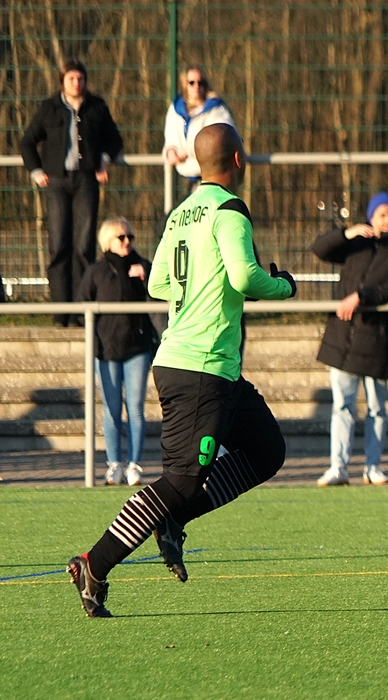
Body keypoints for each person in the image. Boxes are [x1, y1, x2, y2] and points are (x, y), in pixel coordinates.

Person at [66, 123, 296, 617]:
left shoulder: (180, 213)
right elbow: (245, 276)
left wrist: (199, 294)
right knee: (182, 481)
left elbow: (158, 285)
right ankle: (94, 563)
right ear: (238, 161)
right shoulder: (230, 210)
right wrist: (282, 286)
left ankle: (172, 520)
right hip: (199, 368)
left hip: (211, 367)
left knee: (267, 450)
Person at [313, 192, 388, 487]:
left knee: (377, 409)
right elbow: (319, 249)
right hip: (343, 338)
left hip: (378, 340)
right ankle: (338, 467)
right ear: (371, 217)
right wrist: (346, 234)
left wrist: (361, 297)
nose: (387, 220)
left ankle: (373, 466)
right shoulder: (356, 244)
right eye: (381, 215)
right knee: (342, 405)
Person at [20, 59, 123, 327]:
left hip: (86, 181)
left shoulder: (97, 107)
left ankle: (81, 314)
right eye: (71, 79)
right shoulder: (49, 107)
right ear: (62, 81)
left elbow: (115, 140)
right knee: (58, 247)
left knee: (84, 246)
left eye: (80, 79)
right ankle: (60, 313)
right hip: (56, 182)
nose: (76, 83)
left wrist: (104, 160)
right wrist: (36, 171)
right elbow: (27, 142)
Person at [77, 218, 158, 487]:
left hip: (137, 348)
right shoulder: (97, 271)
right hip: (106, 350)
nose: (127, 242)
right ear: (108, 241)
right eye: (121, 237)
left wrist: (146, 276)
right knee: (111, 410)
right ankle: (114, 464)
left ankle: (134, 465)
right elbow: (82, 305)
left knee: (135, 408)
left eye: (130, 237)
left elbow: (161, 293)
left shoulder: (143, 265)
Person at [163, 64, 236, 190]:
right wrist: (170, 151)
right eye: (191, 82)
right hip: (183, 177)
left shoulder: (217, 109)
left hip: (210, 178)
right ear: (184, 84)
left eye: (200, 83)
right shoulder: (175, 109)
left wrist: (188, 151)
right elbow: (171, 137)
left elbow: (219, 140)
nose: (196, 86)